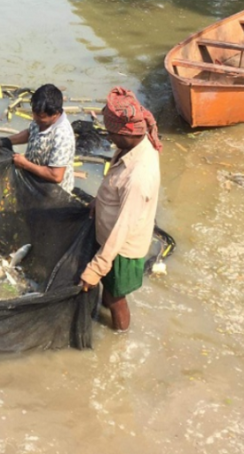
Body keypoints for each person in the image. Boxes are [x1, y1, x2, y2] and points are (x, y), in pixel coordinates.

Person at [79, 87, 162, 331]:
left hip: (121, 251)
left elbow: (123, 229)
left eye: (112, 134)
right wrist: (98, 201)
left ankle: (119, 338)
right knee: (110, 292)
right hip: (111, 239)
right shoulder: (135, 144)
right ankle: (106, 307)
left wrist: (96, 268)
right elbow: (115, 181)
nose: (109, 138)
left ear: (126, 133)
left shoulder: (139, 177)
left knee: (116, 300)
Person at [8, 84, 75, 193]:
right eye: (34, 115)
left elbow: (56, 176)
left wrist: (25, 164)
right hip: (33, 181)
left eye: (41, 118)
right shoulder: (40, 116)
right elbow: (31, 133)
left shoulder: (62, 135)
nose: (35, 119)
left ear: (56, 114)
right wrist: (7, 140)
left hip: (52, 193)